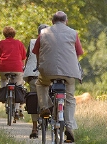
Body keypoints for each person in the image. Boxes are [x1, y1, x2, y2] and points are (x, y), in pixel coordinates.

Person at [32, 11, 84, 142]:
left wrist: (39, 65)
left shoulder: (43, 33)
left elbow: (37, 52)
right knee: (70, 97)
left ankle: (44, 108)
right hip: (69, 72)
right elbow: (78, 53)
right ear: (66, 21)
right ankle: (70, 127)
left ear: (52, 21)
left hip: (47, 71)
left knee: (41, 84)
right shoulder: (73, 33)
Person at [0, 26, 26, 119]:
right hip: (17, 68)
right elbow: (23, 57)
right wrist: (23, 66)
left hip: (3, 68)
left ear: (4, 34)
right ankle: (17, 108)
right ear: (14, 34)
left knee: (3, 80)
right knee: (19, 85)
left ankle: (4, 93)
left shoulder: (1, 43)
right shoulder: (19, 43)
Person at [23, 24, 49, 139]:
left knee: (33, 97)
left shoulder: (33, 42)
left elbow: (28, 58)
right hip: (49, 75)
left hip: (33, 76)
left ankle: (34, 128)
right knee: (50, 93)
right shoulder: (53, 42)